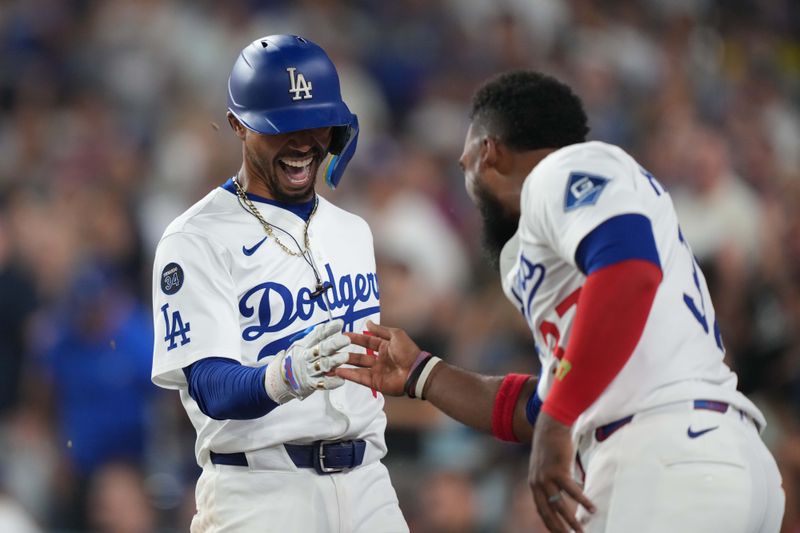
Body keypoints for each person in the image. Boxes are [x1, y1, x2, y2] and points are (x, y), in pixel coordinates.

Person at [338, 70, 785, 533]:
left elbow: (630, 274)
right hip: (698, 454)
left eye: (466, 156)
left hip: (667, 455)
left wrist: (556, 423)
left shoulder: (562, 170)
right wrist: (422, 374)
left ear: (489, 150)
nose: (461, 167)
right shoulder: (552, 251)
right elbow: (542, 405)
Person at [151, 34, 407, 532]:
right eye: (281, 126)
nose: (302, 142)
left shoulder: (354, 231)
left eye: (315, 125)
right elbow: (209, 386)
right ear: (237, 126)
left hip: (369, 483)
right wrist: (284, 375)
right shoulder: (194, 239)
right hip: (261, 492)